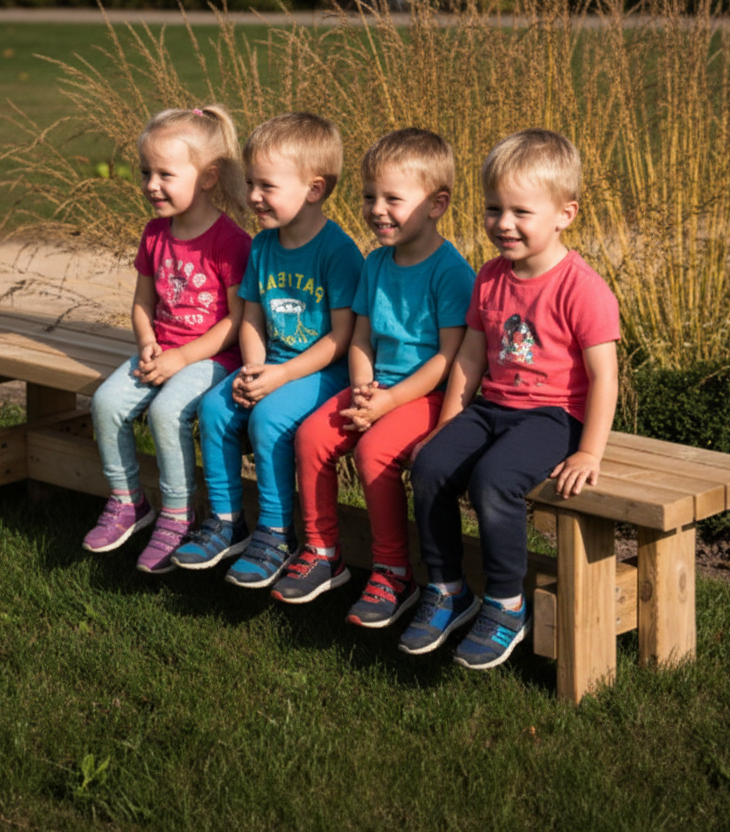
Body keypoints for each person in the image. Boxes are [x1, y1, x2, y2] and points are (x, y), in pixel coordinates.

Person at [408, 128, 620, 666]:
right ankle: (447, 588)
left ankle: (506, 603)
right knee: (430, 465)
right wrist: (447, 424)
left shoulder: (582, 287)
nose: (504, 223)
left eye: (521, 212)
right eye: (494, 209)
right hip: (492, 408)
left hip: (555, 416)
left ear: (565, 214)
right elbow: (471, 358)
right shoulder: (489, 277)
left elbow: (604, 378)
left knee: (494, 479)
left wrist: (589, 451)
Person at [270, 128, 475, 633]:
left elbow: (447, 359)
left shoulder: (451, 272)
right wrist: (364, 388)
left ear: (437, 204)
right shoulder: (376, 263)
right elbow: (361, 337)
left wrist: (388, 401)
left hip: (426, 396)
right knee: (312, 435)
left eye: (392, 199)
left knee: (374, 451)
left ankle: (393, 572)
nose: (376, 210)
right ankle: (322, 551)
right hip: (377, 387)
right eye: (369, 197)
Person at [172, 112, 364, 587]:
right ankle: (226, 520)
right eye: (251, 183)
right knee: (216, 408)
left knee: (269, 418)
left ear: (314, 189)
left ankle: (276, 533)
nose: (253, 196)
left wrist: (280, 377)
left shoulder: (337, 251)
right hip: (273, 364)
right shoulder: (262, 247)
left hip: (325, 370)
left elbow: (341, 337)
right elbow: (252, 317)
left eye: (267, 186)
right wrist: (255, 369)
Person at [82, 105, 251, 574]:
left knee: (166, 410)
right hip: (162, 351)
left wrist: (182, 358)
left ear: (208, 177)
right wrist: (146, 342)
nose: (151, 185)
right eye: (145, 172)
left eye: (165, 174)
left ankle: (179, 515)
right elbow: (142, 302)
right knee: (105, 402)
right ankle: (128, 501)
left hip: (214, 356)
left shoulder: (230, 241)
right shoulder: (155, 234)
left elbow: (236, 321)